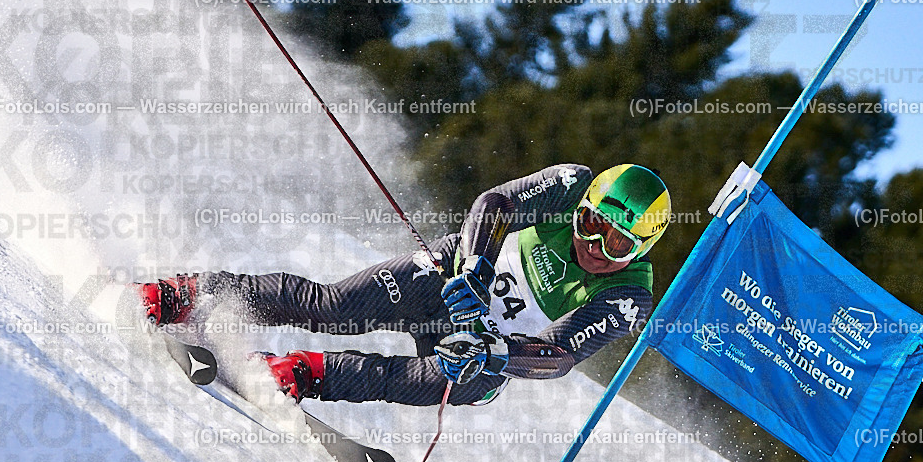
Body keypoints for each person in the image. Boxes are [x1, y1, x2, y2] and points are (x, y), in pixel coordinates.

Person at [135, 164, 671, 406]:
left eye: (617, 245)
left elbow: (557, 355)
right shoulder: (573, 184)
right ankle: (196, 293)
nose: (594, 248)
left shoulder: (630, 294)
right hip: (448, 279)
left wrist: (495, 356)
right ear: (581, 208)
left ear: (640, 250)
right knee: (334, 307)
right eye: (590, 226)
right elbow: (495, 203)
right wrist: (476, 267)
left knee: (428, 380)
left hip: (480, 350)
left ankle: (304, 372)